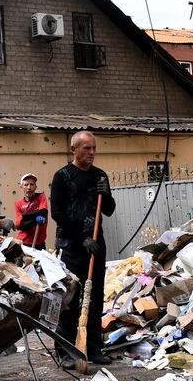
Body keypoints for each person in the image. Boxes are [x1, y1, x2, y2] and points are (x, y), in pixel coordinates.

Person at [50, 131, 116, 366]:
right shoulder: (63, 176)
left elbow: (108, 209)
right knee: (71, 297)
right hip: (71, 245)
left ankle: (93, 347)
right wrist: (81, 238)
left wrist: (105, 194)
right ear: (74, 150)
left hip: (96, 243)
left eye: (94, 148)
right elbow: (57, 213)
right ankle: (65, 350)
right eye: (87, 148)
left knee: (95, 295)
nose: (91, 153)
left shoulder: (100, 176)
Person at [14, 173, 49, 248]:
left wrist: (24, 216)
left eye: (32, 184)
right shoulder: (18, 204)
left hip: (39, 243)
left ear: (36, 187)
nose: (29, 187)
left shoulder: (41, 197)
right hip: (23, 242)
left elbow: (44, 212)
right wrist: (35, 220)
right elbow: (20, 226)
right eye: (26, 185)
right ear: (21, 187)